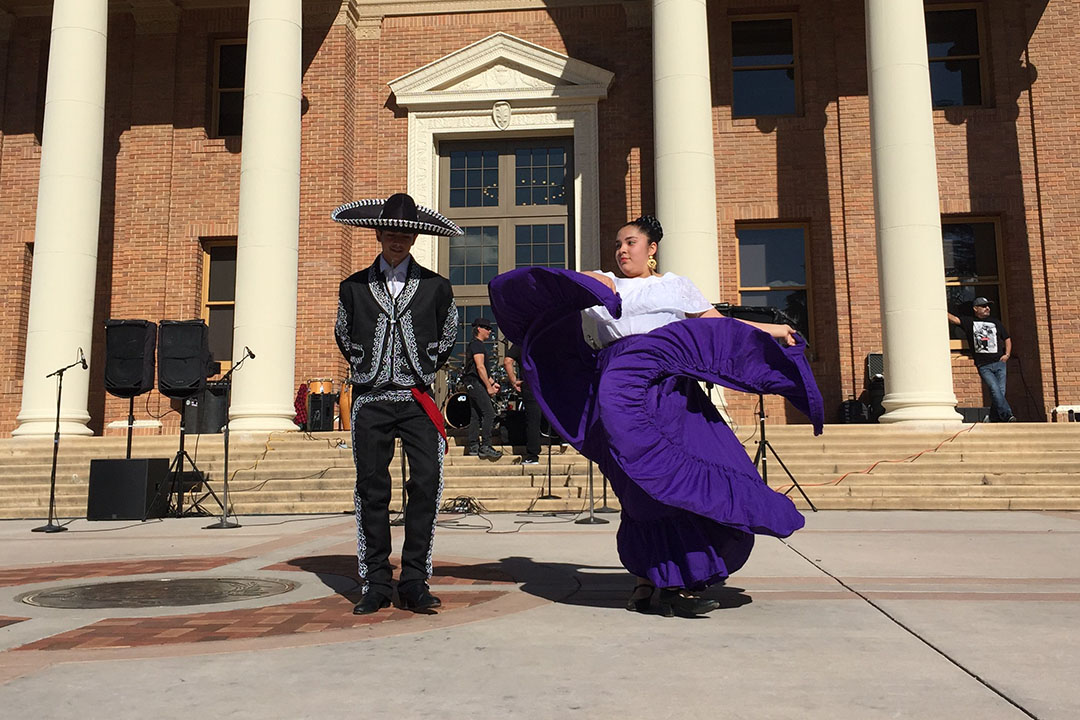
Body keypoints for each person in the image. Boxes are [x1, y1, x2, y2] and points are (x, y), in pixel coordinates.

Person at [488, 215, 823, 618]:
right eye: (617, 244)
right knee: (638, 487)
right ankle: (650, 581)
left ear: (652, 249)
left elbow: (719, 326)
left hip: (670, 395)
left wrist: (774, 330)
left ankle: (674, 580)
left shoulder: (675, 286)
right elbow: (547, 288)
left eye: (630, 242)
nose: (622, 250)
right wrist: (592, 284)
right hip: (617, 396)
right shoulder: (601, 286)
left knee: (679, 478)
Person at [332, 193, 461, 616]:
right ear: (378, 233)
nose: (397, 238)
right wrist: (367, 363)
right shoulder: (352, 286)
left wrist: (422, 362)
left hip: (416, 398)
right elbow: (343, 334)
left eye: (405, 231)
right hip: (371, 398)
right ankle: (375, 582)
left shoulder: (436, 286)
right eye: (390, 231)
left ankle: (415, 579)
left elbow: (448, 334)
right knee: (371, 488)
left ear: (415, 236)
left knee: (426, 482)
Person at [948, 297, 1015, 422]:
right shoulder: (969, 322)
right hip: (984, 365)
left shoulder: (996, 322)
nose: (987, 308)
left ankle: (992, 418)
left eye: (988, 306)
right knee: (995, 390)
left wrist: (1007, 354)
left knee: (1000, 391)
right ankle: (1007, 415)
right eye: (984, 306)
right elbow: (954, 320)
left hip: (999, 363)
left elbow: (1007, 338)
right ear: (975, 309)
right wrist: (939, 308)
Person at [462, 317, 503, 460]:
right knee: (489, 413)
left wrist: (492, 382)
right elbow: (480, 367)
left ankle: (473, 446)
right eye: (487, 328)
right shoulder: (477, 345)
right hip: (475, 383)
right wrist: (488, 387)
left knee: (475, 414)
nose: (490, 331)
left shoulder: (476, 345)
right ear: (479, 329)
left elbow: (480, 368)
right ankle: (485, 445)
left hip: (472, 382)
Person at [503, 342, 541, 465]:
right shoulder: (547, 338)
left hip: (529, 383)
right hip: (547, 382)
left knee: (532, 419)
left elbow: (507, 361)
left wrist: (514, 381)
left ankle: (533, 454)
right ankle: (564, 439)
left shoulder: (521, 342)